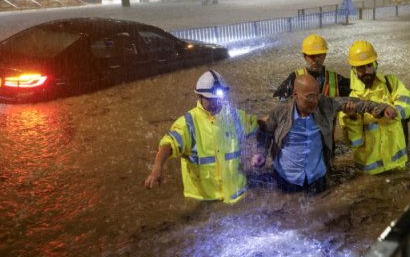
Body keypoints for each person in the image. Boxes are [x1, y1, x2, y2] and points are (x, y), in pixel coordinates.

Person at [256, 74, 392, 193]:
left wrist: (381, 108)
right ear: (295, 95)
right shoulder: (280, 112)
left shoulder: (325, 105)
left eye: (317, 95)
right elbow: (265, 132)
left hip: (317, 179)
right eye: (309, 97)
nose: (315, 101)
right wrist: (261, 153)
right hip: (286, 179)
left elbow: (357, 103)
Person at [143, 70, 260, 203]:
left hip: (237, 195)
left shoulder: (235, 116)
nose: (215, 103)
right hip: (204, 200)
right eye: (210, 99)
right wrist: (157, 169)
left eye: (218, 99)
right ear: (199, 96)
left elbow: (260, 126)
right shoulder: (188, 123)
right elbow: (168, 145)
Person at [339, 40, 410, 174]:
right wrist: (352, 118)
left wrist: (395, 111)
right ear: (354, 70)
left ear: (375, 64)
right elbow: (354, 143)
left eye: (369, 65)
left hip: (398, 165)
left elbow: (407, 104)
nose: (367, 71)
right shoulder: (351, 101)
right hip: (370, 174)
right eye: (361, 67)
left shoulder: (391, 83)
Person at [273, 34, 351, 100]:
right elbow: (278, 99)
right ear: (305, 56)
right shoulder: (295, 78)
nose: (316, 60)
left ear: (324, 56)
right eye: (312, 56)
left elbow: (356, 90)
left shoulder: (335, 79)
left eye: (319, 55)